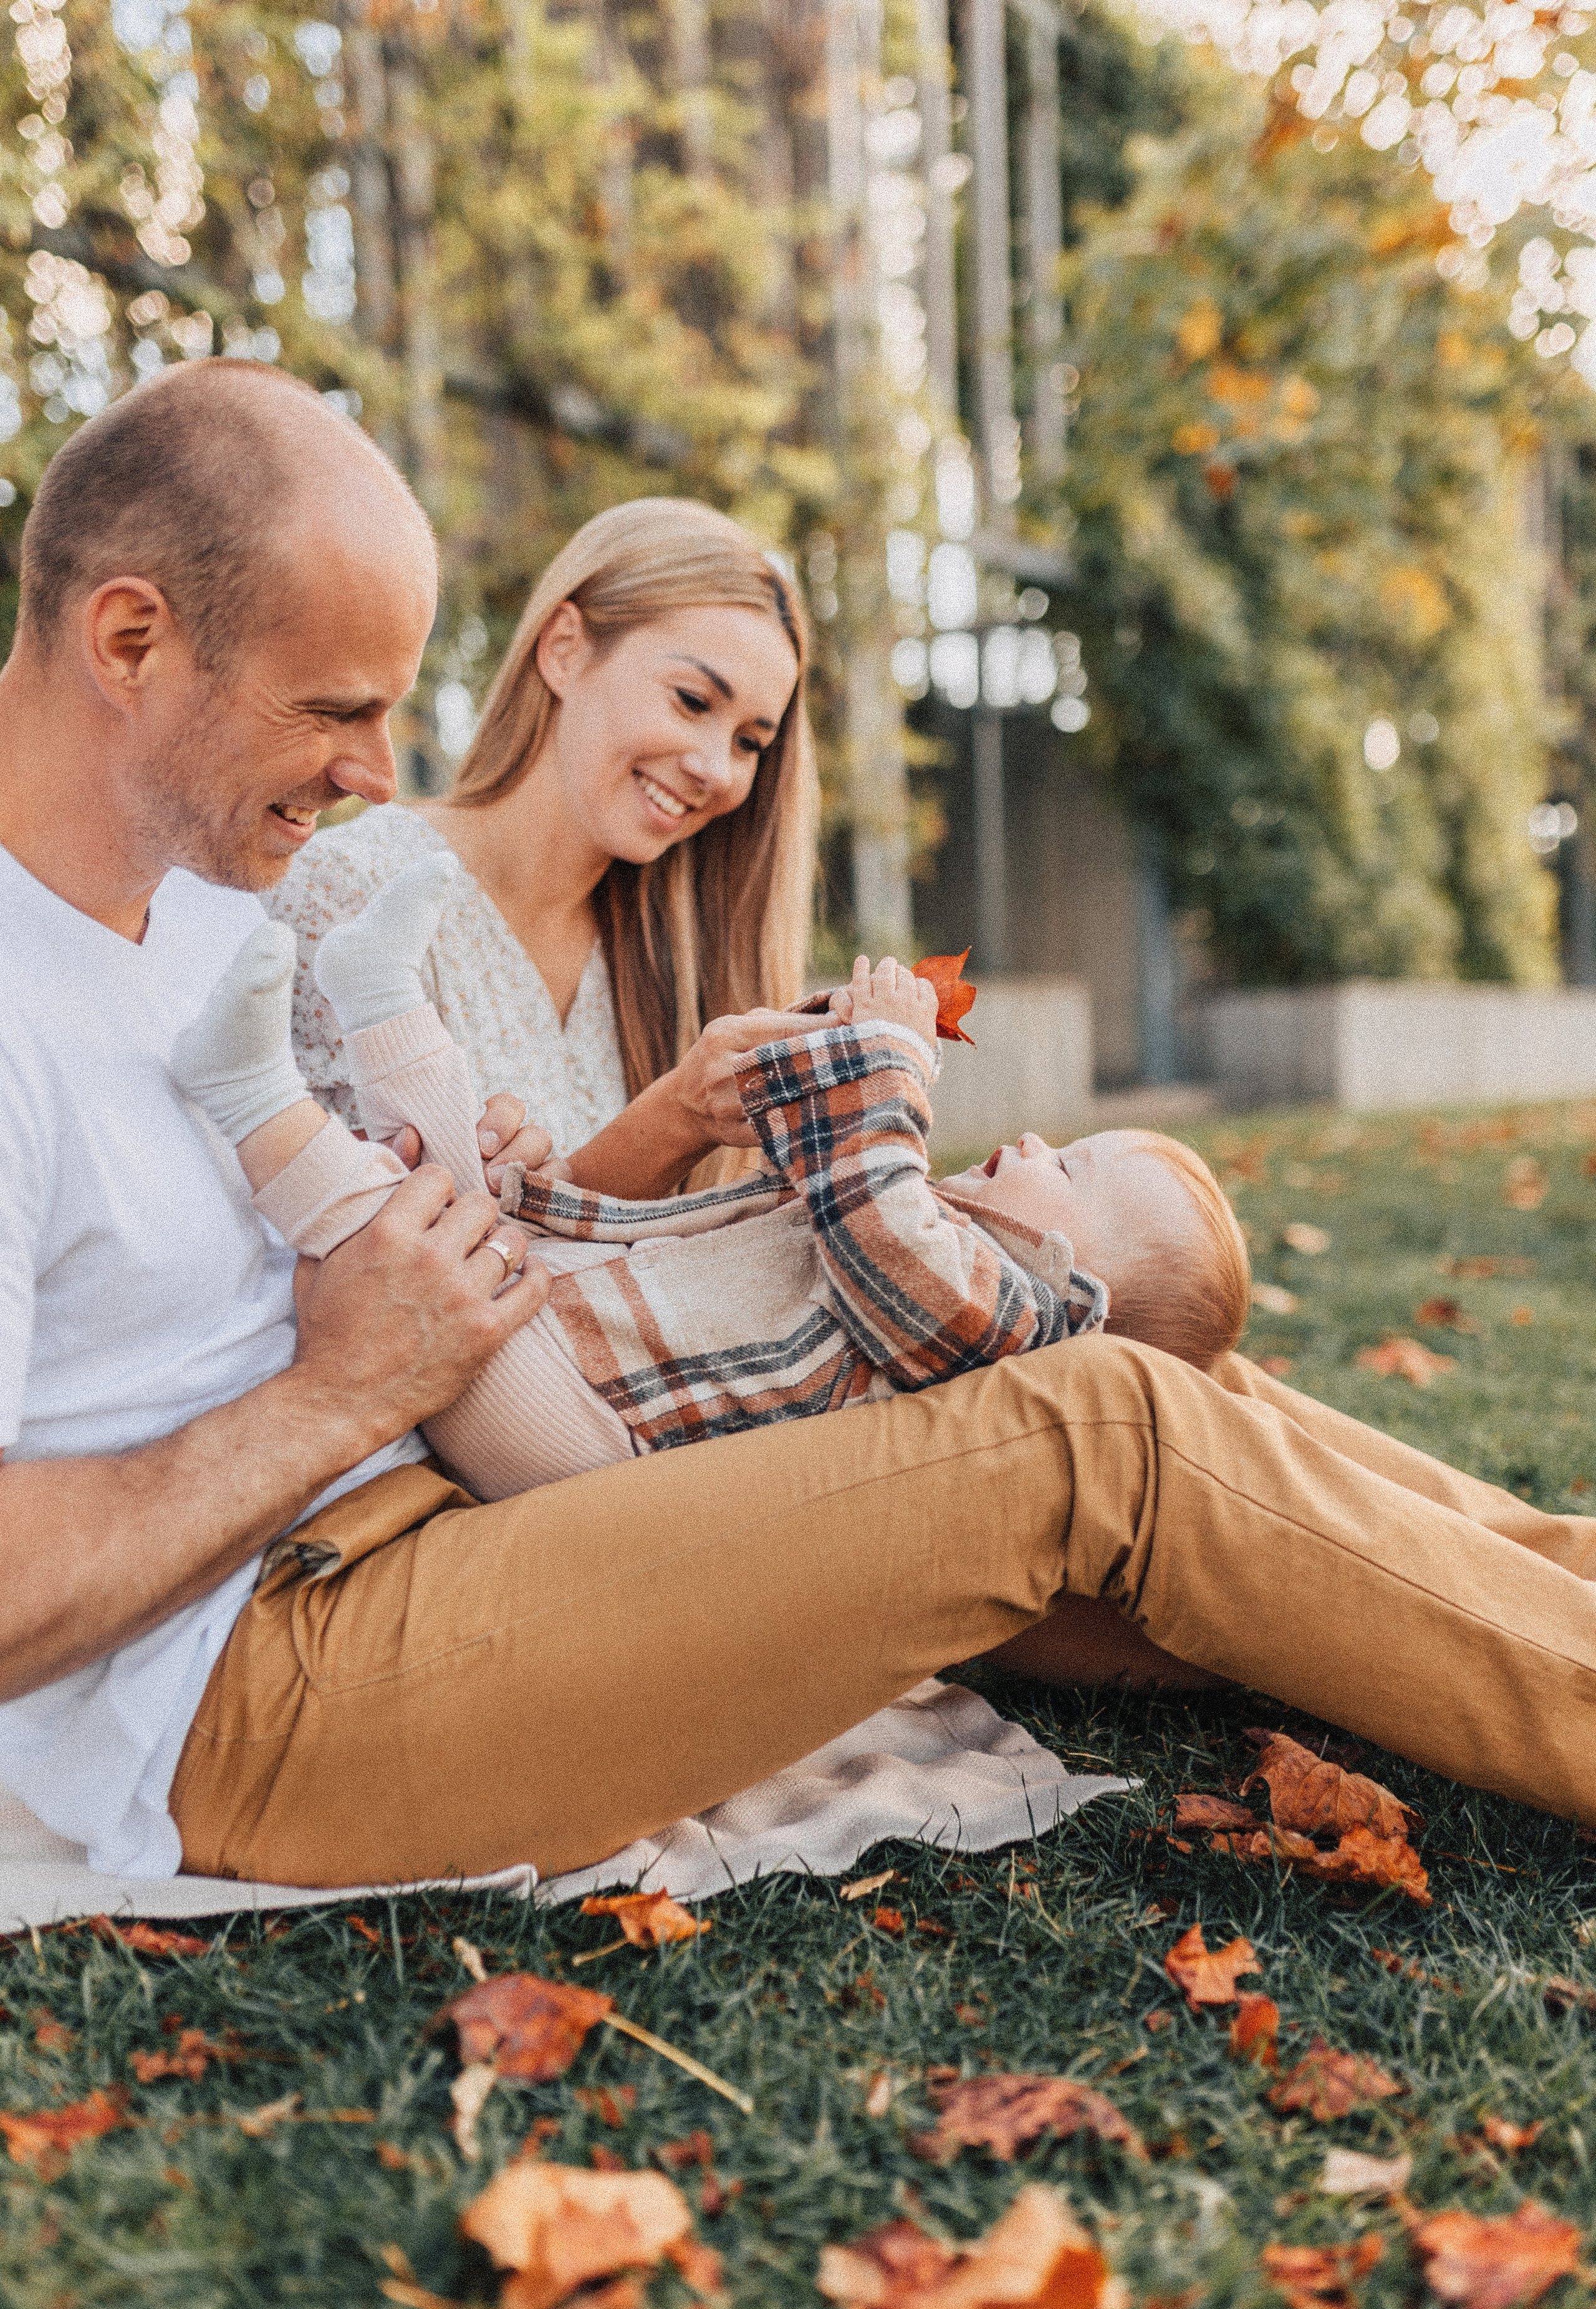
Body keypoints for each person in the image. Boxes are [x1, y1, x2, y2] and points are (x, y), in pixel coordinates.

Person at [4, 363, 1596, 1904]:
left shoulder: (215, 910)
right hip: (258, 1679)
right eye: (335, 713)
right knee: (1094, 1425)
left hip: (455, 1488)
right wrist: (338, 1388)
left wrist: (468, 1176)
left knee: (1126, 1354)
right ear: (130, 637)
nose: (370, 774)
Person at [170, 866, 1249, 1501]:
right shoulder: (918, 1230)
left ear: (1084, 1294)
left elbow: (885, 1222)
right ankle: (380, 999)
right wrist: (831, 1042)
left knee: (405, 1245)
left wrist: (894, 1070)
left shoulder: (999, 1326)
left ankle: (254, 1099)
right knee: (462, 1195)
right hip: (581, 1343)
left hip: (590, 1445)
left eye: (1071, 1167)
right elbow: (836, 1178)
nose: (1032, 1138)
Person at [267, 495, 820, 1195]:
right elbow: (367, 1267)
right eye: (692, 700)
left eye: (750, 743)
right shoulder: (344, 894)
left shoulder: (682, 956)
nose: (716, 768)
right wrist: (672, 1122)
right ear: (564, 649)